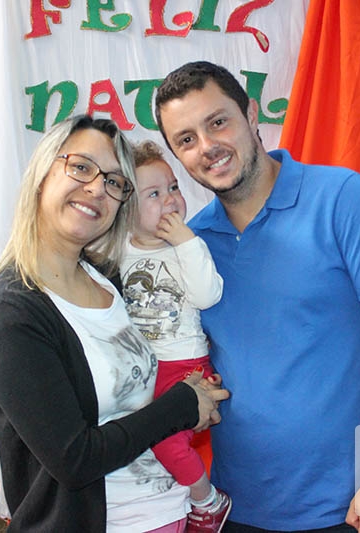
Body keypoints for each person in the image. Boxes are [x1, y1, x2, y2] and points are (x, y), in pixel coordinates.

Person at [154, 62, 360, 533]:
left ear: (251, 113)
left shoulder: (342, 198)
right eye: (186, 139)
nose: (207, 146)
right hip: (235, 510)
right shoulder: (190, 247)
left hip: (349, 508)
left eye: (218, 122)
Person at [0, 115, 230, 532]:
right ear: (42, 174)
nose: (96, 188)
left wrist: (196, 399)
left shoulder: (106, 276)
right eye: (81, 167)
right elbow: (74, 459)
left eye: (113, 181)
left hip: (171, 510)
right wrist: (181, 406)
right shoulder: (8, 314)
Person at [121, 139, 232, 532]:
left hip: (185, 364)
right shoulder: (118, 251)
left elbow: (207, 295)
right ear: (126, 208)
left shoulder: (187, 247)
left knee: (165, 440)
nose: (170, 199)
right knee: (142, 439)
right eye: (153, 194)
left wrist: (186, 243)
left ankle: (207, 500)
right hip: (141, 368)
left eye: (173, 187)